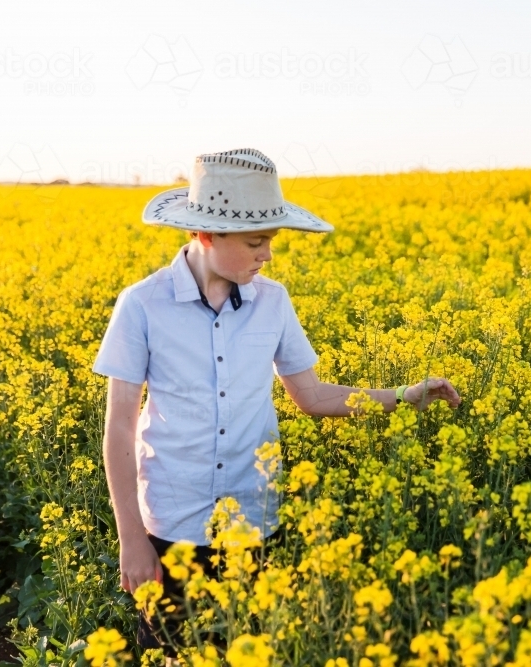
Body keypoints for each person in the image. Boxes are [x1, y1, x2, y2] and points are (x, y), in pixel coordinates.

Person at [91, 148, 462, 659]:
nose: (267, 253)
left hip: (254, 520)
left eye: (270, 240)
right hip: (172, 526)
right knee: (171, 654)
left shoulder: (274, 301)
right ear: (205, 234)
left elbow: (311, 395)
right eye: (255, 241)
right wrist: (130, 537)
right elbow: (119, 428)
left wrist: (402, 397)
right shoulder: (143, 305)